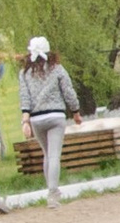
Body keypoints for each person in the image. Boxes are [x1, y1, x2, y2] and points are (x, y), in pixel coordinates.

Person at [18, 36, 82, 202]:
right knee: (54, 155)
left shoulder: (24, 73)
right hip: (56, 116)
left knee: (47, 154)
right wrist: (75, 111)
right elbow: (68, 91)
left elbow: (24, 97)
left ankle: (50, 189)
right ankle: (53, 192)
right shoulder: (57, 69)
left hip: (36, 119)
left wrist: (25, 121)